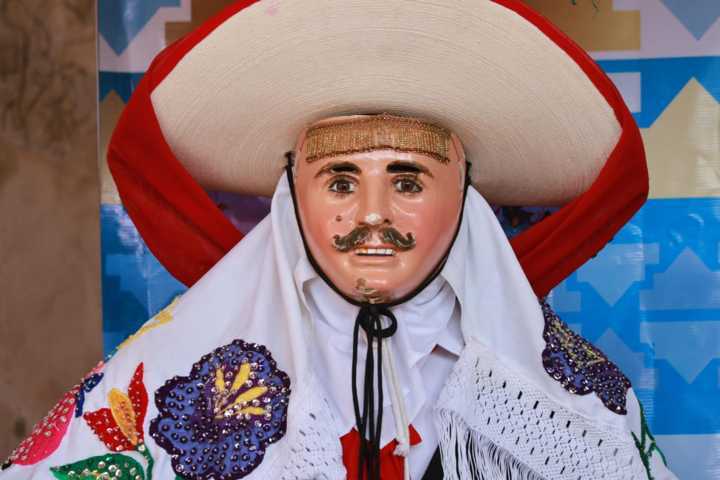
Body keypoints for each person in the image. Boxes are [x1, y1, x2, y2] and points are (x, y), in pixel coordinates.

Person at [1, 0, 677, 479]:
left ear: (466, 200)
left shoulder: (570, 400)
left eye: (408, 181)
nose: (371, 215)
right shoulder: (160, 379)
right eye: (340, 181)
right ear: (292, 197)